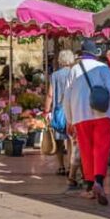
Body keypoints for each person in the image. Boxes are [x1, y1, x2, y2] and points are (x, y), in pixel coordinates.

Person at [63, 39, 110, 206]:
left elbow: (66, 96)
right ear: (96, 54)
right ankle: (99, 182)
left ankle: (88, 188)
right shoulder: (103, 68)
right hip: (102, 114)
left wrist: (69, 119)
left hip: (80, 115)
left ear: (82, 53)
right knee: (102, 149)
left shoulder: (74, 70)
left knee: (86, 150)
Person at [44, 49, 75, 179]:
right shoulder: (74, 73)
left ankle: (61, 166)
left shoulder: (55, 75)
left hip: (58, 111)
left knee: (59, 141)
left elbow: (50, 94)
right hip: (71, 110)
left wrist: (46, 110)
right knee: (71, 140)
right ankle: (71, 167)